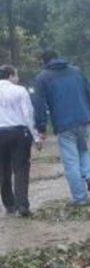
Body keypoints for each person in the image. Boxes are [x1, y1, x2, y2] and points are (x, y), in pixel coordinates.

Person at [33, 49, 90, 206]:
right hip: (84, 119)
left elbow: (39, 104)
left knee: (71, 162)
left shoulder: (42, 77)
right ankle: (89, 175)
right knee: (83, 150)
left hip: (64, 124)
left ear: (43, 61)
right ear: (58, 57)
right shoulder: (76, 71)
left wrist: (41, 126)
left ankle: (80, 199)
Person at [0, 65, 40, 217]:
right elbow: (28, 114)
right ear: (10, 76)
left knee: (3, 170)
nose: (17, 78)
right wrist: (36, 137)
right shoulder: (20, 90)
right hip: (18, 132)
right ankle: (22, 205)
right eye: (16, 75)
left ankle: (9, 204)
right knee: (21, 168)